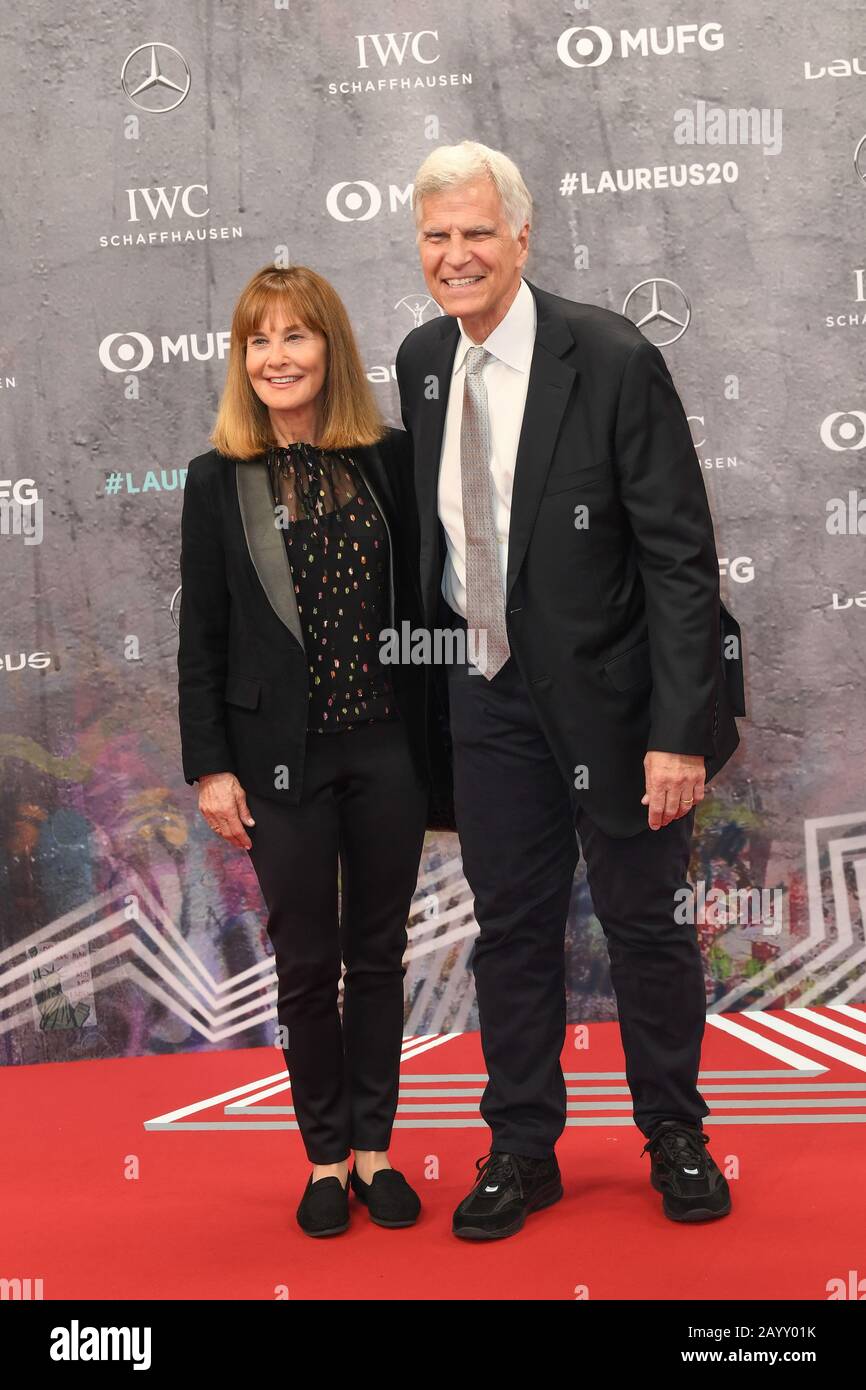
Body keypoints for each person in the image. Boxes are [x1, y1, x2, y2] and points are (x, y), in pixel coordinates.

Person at [395, 141, 746, 1239]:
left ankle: (674, 1135)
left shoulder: (606, 353)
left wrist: (676, 729)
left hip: (618, 701)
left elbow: (677, 558)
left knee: (642, 926)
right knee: (508, 931)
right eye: (436, 237)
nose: (456, 256)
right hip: (486, 694)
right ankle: (520, 1147)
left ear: (521, 237)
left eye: (475, 233)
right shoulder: (418, 359)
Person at [177, 264, 431, 1237]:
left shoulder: (389, 460)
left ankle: (376, 1153)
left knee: (377, 955)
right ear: (243, 360)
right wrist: (210, 764)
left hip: (384, 752)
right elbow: (200, 634)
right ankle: (323, 1160)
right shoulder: (216, 479)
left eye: (295, 335)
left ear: (329, 347)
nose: (277, 356)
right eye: (259, 340)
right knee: (303, 965)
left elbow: (427, 605)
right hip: (275, 763)